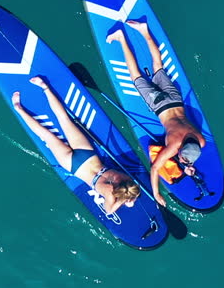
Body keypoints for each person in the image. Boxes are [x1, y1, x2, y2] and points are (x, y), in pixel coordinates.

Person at [106, 20, 207, 209]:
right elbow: (155, 168)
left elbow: (191, 151)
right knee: (135, 76)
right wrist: (156, 193)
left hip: (176, 100)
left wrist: (186, 164)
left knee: (158, 66)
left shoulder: (200, 141)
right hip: (159, 105)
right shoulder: (174, 146)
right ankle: (121, 38)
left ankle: (144, 31)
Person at [11, 75, 141, 214]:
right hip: (74, 166)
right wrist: (124, 201)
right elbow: (108, 211)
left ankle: (44, 87)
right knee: (46, 136)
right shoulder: (110, 195)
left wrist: (131, 198)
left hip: (89, 155)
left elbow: (133, 188)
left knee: (64, 119)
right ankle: (18, 108)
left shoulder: (125, 178)